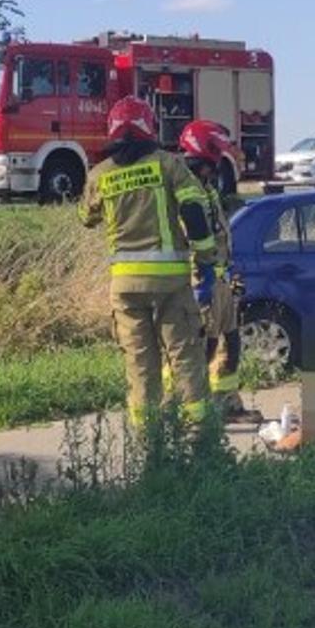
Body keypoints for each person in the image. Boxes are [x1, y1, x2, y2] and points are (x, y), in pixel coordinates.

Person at [80, 97, 219, 429]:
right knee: (185, 356)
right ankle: (199, 436)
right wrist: (206, 260)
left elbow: (86, 217)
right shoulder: (168, 165)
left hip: (125, 288)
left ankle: (149, 444)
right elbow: (194, 214)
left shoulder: (100, 175)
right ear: (149, 127)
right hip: (170, 283)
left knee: (140, 365)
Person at [177, 118, 251, 419]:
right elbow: (191, 235)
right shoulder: (185, 187)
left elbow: (218, 233)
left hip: (219, 278)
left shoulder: (205, 187)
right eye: (213, 159)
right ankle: (190, 404)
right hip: (200, 278)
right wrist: (201, 281)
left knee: (231, 342)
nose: (216, 166)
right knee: (203, 347)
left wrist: (228, 272)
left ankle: (227, 401)